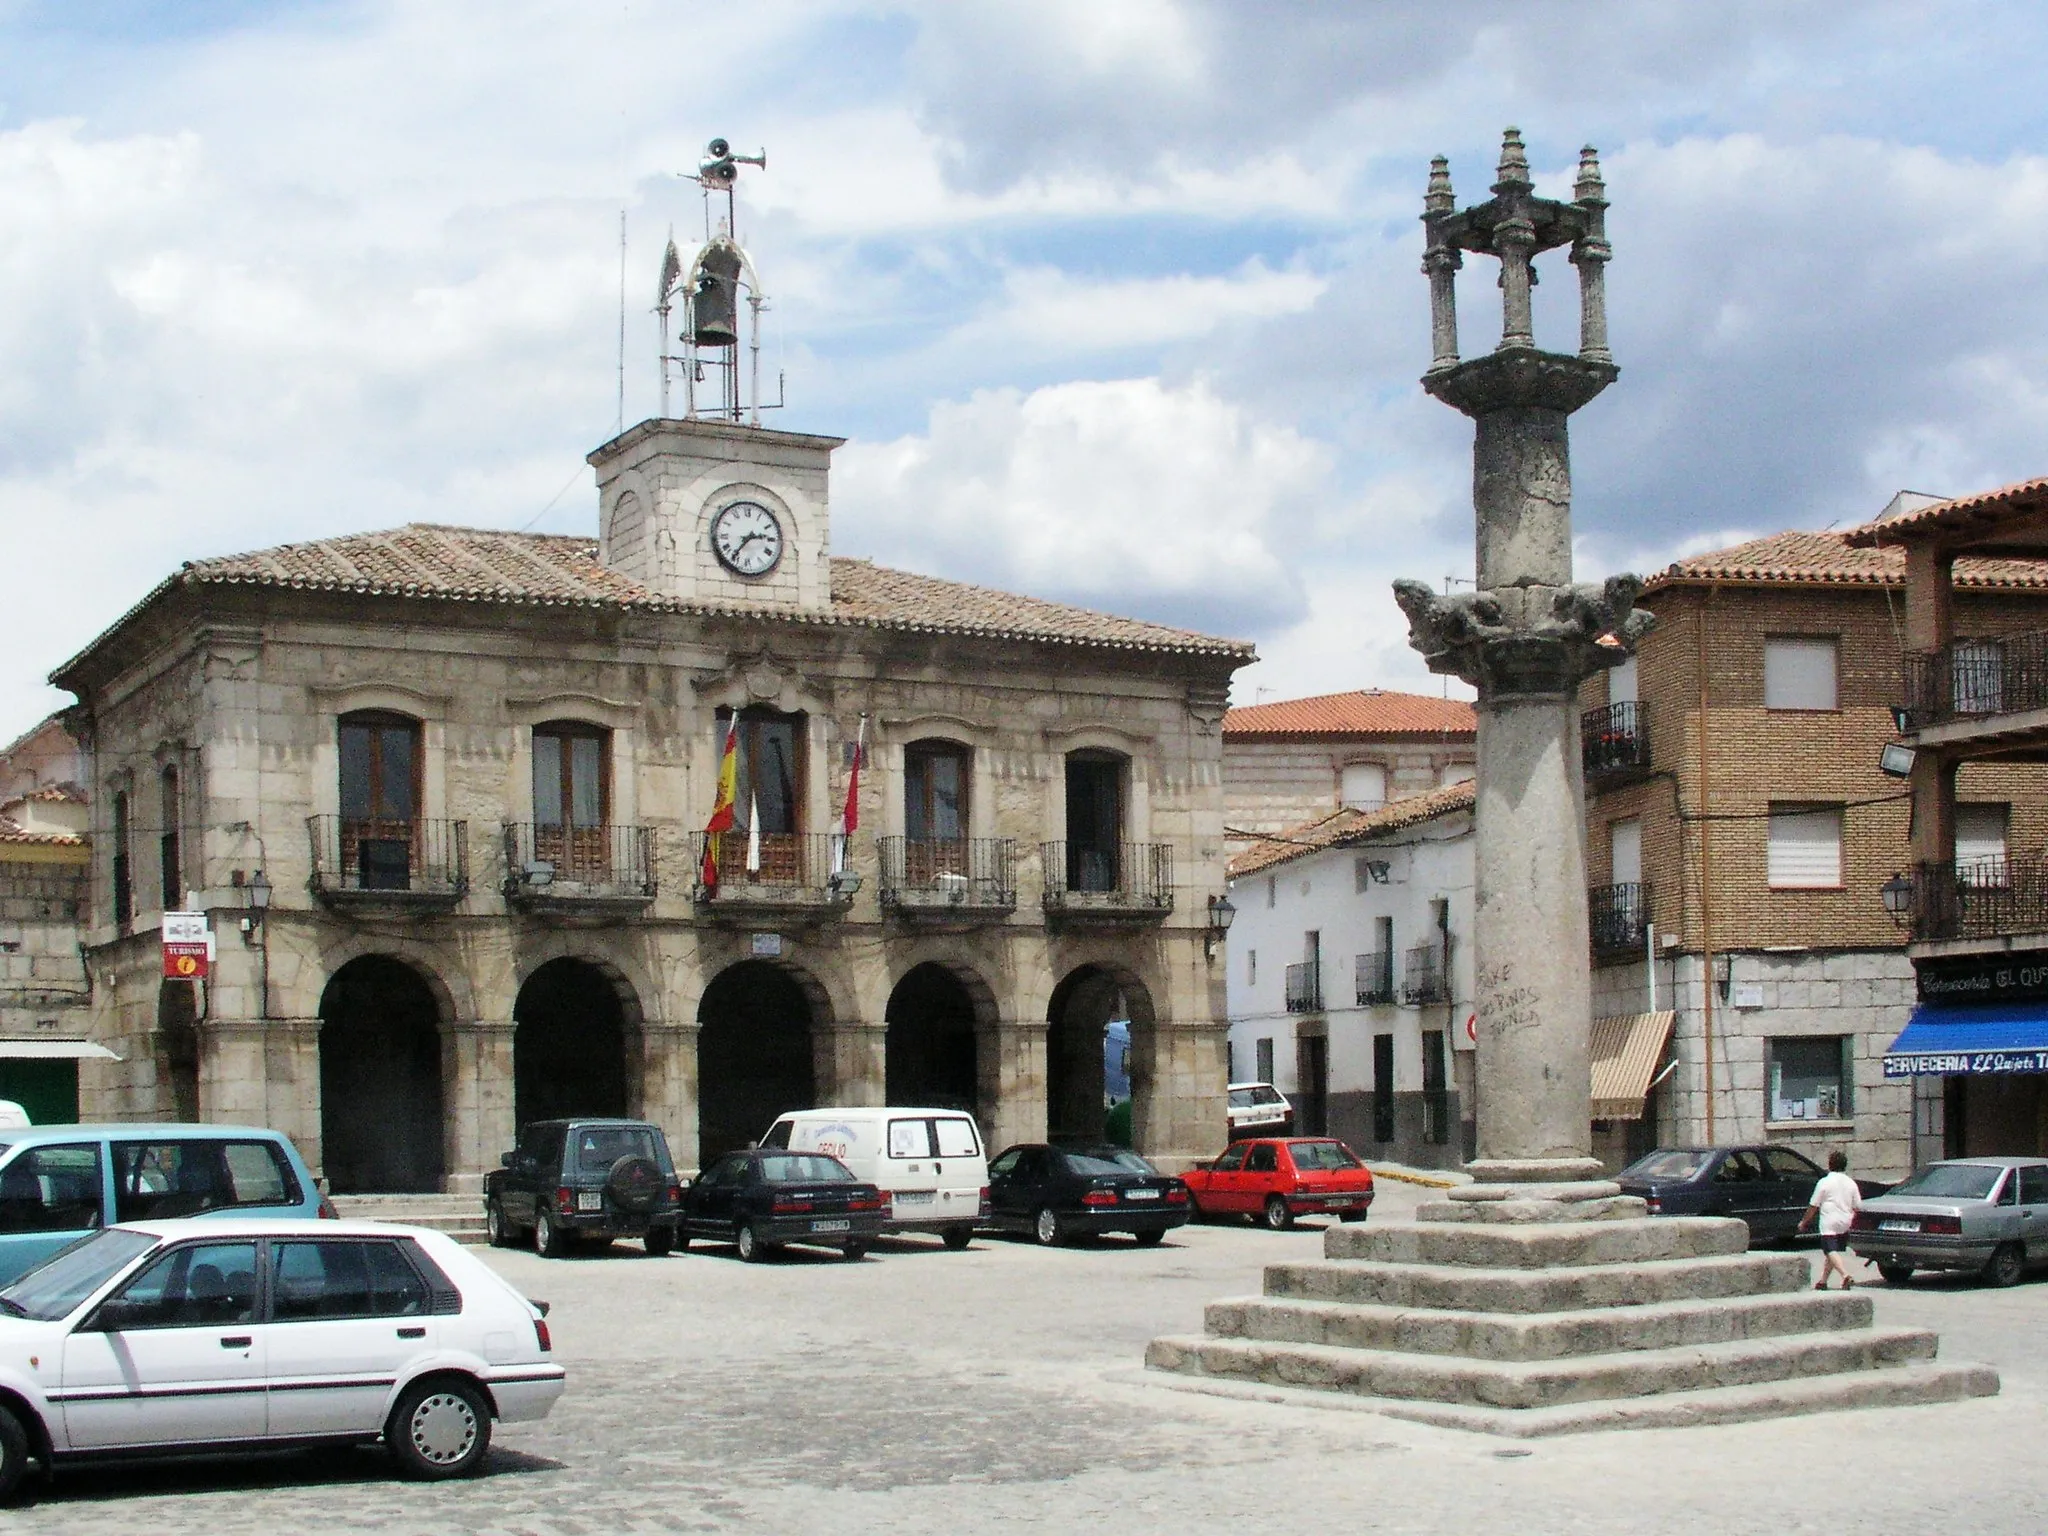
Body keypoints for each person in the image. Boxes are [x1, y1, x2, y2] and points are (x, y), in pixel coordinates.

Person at [1797, 1149, 1864, 1290]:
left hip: (1829, 1221)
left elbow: (1813, 1205)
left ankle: (1845, 1275)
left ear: (1830, 1165)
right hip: (1845, 1221)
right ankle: (1823, 1281)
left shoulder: (1824, 1182)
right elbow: (1858, 1206)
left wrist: (1804, 1222)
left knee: (1829, 1250)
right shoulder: (1851, 1183)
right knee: (1832, 1253)